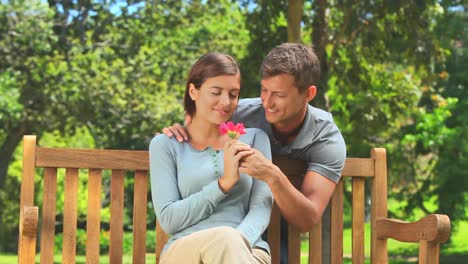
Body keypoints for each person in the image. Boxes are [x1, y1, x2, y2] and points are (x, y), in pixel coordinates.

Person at [163, 43, 346, 263]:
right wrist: (177, 132)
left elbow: (307, 219)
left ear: (309, 93)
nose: (267, 102)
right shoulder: (239, 113)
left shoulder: (325, 137)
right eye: (264, 90)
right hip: (215, 237)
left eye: (278, 94)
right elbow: (197, 123)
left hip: (264, 231)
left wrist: (272, 174)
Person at [149, 52, 274, 264]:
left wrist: (236, 241)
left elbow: (261, 207)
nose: (226, 102)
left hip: (248, 249)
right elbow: (169, 220)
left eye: (233, 95)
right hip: (185, 251)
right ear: (193, 91)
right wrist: (223, 185)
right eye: (216, 92)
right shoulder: (166, 145)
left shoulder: (254, 139)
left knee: (227, 241)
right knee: (224, 238)